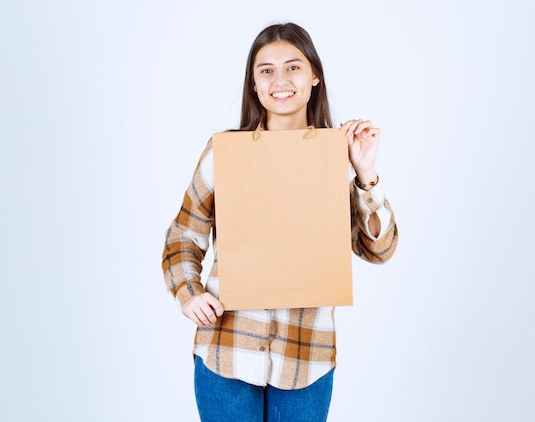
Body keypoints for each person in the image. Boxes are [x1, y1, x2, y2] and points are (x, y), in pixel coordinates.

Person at [161, 22, 398, 422]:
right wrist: (189, 292)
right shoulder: (224, 153)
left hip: (306, 356)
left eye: (293, 67)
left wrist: (366, 173)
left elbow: (379, 249)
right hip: (227, 350)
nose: (280, 80)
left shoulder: (338, 156)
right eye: (266, 70)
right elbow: (184, 233)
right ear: (253, 83)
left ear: (315, 75)